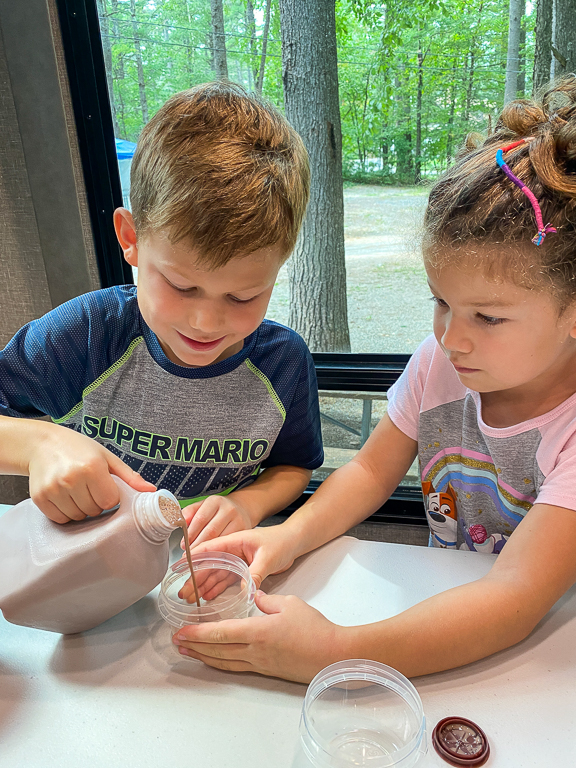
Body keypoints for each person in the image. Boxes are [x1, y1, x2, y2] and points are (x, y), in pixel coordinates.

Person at [173, 78, 576, 682]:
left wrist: (333, 652)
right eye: (441, 302)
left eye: (487, 317)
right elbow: (367, 471)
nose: (451, 337)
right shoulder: (441, 363)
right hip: (443, 617)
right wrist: (286, 539)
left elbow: (515, 598)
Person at [0, 82, 322, 545]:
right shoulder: (87, 335)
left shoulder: (283, 365)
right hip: (87, 566)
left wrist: (247, 504)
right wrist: (40, 445)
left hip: (211, 564)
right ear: (130, 239)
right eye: (181, 285)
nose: (205, 323)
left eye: (243, 296)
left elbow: (293, 466)